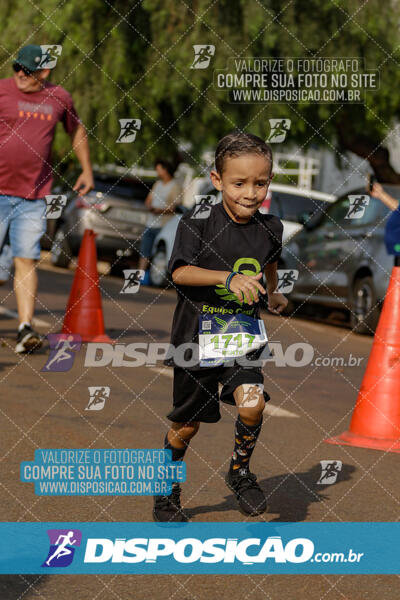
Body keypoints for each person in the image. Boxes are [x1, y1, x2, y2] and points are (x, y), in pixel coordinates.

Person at [153, 132, 287, 522]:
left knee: (253, 403)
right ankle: (167, 490)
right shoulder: (196, 221)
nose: (250, 193)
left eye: (260, 183)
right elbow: (179, 271)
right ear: (217, 181)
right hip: (194, 336)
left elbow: (270, 262)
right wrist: (225, 279)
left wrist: (274, 292)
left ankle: (240, 472)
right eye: (239, 183)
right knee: (186, 425)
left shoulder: (271, 228)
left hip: (241, 332)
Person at [0, 44, 94, 353]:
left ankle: (25, 328)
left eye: (26, 70)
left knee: (25, 259)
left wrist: (86, 170)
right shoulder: (2, 91)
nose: (20, 75)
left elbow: (76, 130)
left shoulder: (59, 97)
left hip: (34, 195)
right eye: (17, 68)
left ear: (44, 71)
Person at [138, 158, 181, 285]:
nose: (157, 172)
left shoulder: (175, 186)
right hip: (151, 223)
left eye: (159, 169)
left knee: (158, 252)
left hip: (164, 225)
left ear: (165, 170)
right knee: (144, 252)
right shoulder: (157, 184)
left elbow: (176, 207)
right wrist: (150, 207)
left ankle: (153, 278)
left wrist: (161, 210)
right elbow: (148, 199)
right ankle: (139, 278)